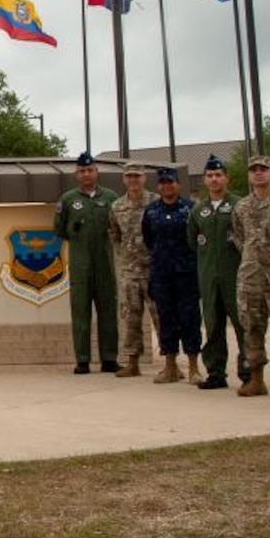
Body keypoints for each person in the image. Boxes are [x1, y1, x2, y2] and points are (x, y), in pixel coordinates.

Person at [52, 152, 119, 374]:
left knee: (108, 312)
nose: (87, 174)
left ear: (96, 172)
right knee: (80, 313)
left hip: (105, 264)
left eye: (90, 170)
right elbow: (60, 229)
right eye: (82, 171)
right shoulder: (68, 199)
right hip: (80, 265)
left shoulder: (110, 198)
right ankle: (82, 359)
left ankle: (109, 358)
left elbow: (118, 229)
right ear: (76, 173)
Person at [232, 154, 270, 398]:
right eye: (254, 169)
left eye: (263, 169)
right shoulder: (242, 207)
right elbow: (238, 238)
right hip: (250, 278)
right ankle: (256, 379)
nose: (258, 173)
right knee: (252, 329)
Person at [187, 154, 247, 391]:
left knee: (242, 325)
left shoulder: (239, 205)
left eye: (218, 175)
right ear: (204, 180)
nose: (214, 179)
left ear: (226, 178)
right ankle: (216, 372)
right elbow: (193, 241)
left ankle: (249, 371)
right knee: (212, 325)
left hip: (235, 276)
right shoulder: (198, 210)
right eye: (210, 176)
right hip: (208, 276)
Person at [142, 167, 202, 385]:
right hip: (161, 273)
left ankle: (194, 366)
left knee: (190, 319)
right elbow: (149, 239)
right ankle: (170, 367)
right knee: (166, 319)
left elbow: (197, 238)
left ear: (178, 184)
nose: (167, 186)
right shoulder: (151, 211)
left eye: (171, 182)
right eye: (163, 183)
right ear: (158, 186)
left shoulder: (191, 209)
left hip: (186, 273)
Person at [106, 162, 157, 377]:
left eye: (137, 176)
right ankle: (133, 363)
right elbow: (114, 235)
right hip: (130, 271)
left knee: (162, 317)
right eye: (129, 176)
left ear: (144, 178)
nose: (133, 180)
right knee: (131, 318)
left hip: (155, 270)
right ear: (124, 180)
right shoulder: (117, 206)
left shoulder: (155, 202)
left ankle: (170, 361)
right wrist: (125, 258)